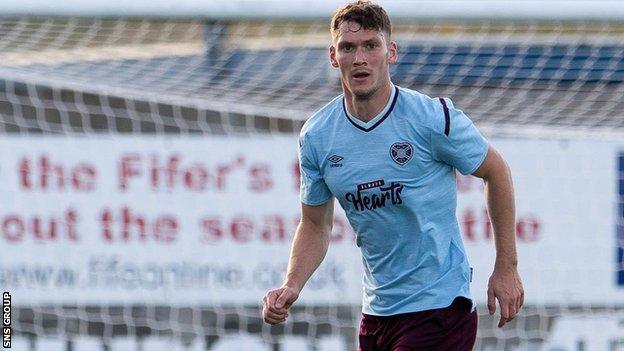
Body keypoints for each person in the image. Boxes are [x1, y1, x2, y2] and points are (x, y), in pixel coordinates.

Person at [262, 1, 524, 349]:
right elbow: (314, 224)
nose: (360, 59)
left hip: (440, 308)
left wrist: (506, 266)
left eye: (371, 46)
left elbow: (496, 171)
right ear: (332, 55)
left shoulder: (432, 118)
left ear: (391, 52)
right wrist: (292, 283)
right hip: (376, 315)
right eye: (348, 47)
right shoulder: (317, 136)